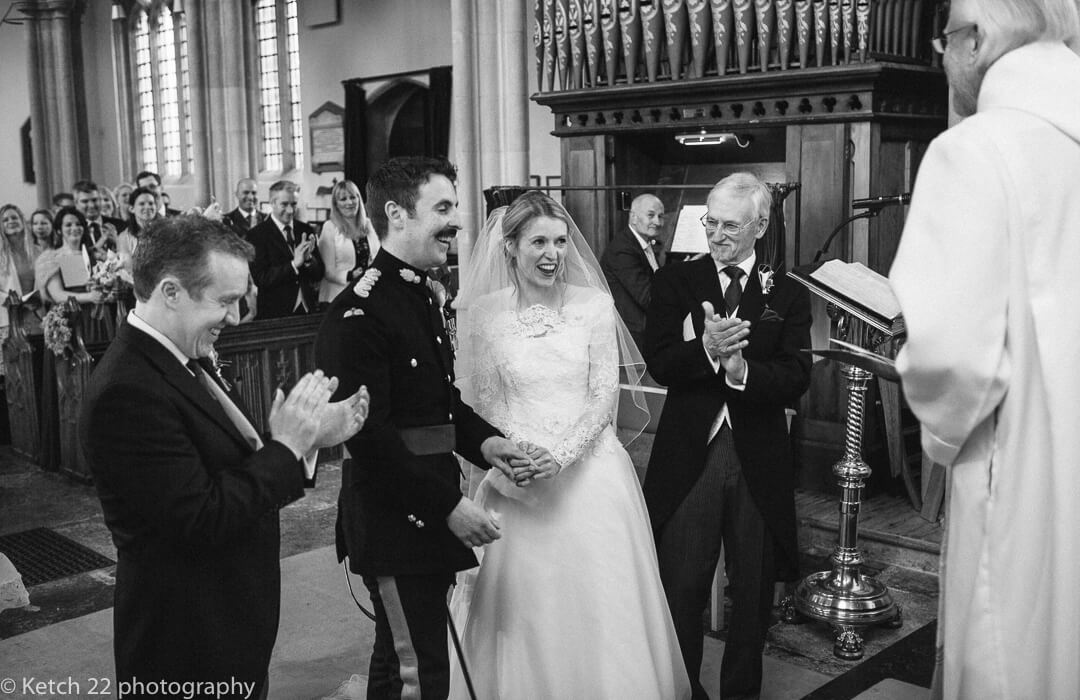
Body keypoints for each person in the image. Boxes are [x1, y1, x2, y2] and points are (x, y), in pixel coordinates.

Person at [79, 215, 370, 700]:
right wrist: (286, 447)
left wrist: (309, 442)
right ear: (171, 293)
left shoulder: (177, 357)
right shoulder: (125, 392)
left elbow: (225, 466)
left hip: (227, 624)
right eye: (226, 302)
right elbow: (200, 517)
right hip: (186, 641)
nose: (235, 318)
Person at [888, 2, 1080, 698]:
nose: (942, 59)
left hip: (1018, 459)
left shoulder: (974, 149)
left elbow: (951, 360)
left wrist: (938, 441)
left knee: (1013, 651)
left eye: (944, 41)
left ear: (977, 40)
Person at [447, 190, 691, 699]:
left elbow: (604, 396)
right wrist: (517, 453)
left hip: (590, 475)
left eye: (559, 241)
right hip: (515, 473)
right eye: (538, 241)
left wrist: (559, 454)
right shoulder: (486, 313)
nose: (552, 254)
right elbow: (486, 401)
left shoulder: (595, 307)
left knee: (597, 605)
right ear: (510, 246)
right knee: (525, 607)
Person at [314, 156, 532, 699]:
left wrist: (489, 442)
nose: (456, 220)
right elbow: (369, 439)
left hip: (426, 502)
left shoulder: (420, 295)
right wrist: (448, 507)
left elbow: (442, 405)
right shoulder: (358, 312)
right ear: (396, 213)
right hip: (396, 518)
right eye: (443, 208)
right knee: (421, 674)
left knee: (396, 662)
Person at [644, 172, 811, 700]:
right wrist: (708, 351)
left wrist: (741, 372)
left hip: (758, 456)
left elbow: (797, 375)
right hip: (692, 452)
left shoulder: (786, 291)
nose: (716, 235)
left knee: (753, 596)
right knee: (683, 588)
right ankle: (684, 691)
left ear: (760, 225)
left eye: (730, 226)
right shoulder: (676, 282)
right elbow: (662, 362)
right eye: (709, 222)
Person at [248, 180, 323, 319]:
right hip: (275, 313)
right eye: (284, 204)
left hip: (308, 310)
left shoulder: (306, 230)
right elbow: (261, 278)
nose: (290, 210)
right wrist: (294, 265)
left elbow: (319, 274)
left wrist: (308, 261)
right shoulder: (256, 235)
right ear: (272, 203)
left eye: (294, 204)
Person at [600, 193, 665, 349]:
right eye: (651, 215)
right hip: (632, 335)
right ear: (634, 218)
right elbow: (647, 296)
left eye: (661, 216)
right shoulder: (622, 249)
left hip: (643, 329)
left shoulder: (643, 243)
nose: (657, 222)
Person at [317, 179, 378, 307]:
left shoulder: (369, 224)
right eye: (343, 199)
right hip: (337, 297)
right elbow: (328, 271)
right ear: (336, 204)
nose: (349, 202)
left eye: (353, 197)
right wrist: (350, 275)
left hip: (366, 294)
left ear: (359, 199)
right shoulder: (329, 227)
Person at [34, 207, 104, 307]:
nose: (74, 228)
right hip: (69, 314)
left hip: (97, 314)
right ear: (59, 230)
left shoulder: (93, 255)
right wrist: (89, 297)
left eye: (78, 224)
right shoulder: (50, 258)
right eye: (68, 225)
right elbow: (57, 295)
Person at [73, 179, 126, 259]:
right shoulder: (73, 231)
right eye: (85, 201)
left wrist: (117, 242)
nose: (91, 205)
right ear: (76, 204)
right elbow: (71, 261)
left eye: (94, 200)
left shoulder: (121, 225)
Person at [1, 204, 35, 296]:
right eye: (5, 220)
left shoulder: (37, 250)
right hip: (7, 307)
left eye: (14, 218)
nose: (11, 221)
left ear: (22, 221)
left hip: (37, 307)